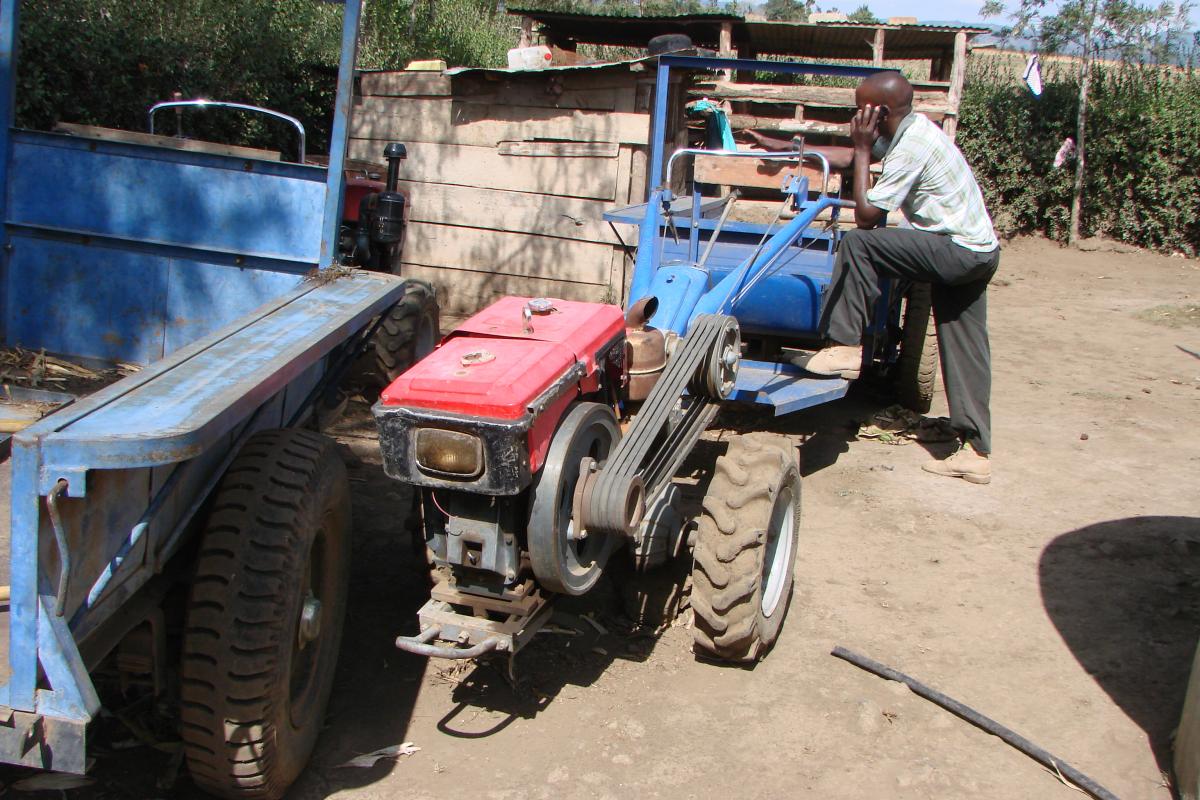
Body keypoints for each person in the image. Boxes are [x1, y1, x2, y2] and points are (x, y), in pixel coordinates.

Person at [747, 71, 1000, 485]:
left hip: (959, 251)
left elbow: (868, 217)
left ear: (878, 113)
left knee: (860, 244)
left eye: (860, 109)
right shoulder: (911, 129)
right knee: (965, 345)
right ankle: (976, 451)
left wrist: (863, 147)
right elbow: (850, 156)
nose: (855, 117)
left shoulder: (913, 146)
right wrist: (795, 149)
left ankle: (845, 346)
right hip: (979, 251)